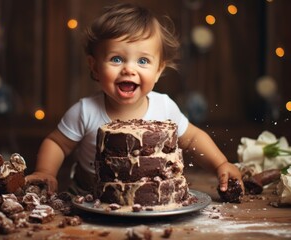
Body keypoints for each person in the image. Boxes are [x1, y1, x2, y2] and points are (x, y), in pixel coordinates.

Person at [26, 3, 243, 195]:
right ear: (95, 66)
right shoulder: (86, 110)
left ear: (158, 70)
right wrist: (46, 171)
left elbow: (193, 139)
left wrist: (220, 164)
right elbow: (57, 143)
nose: (129, 69)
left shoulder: (164, 107)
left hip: (151, 194)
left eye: (143, 61)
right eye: (116, 59)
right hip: (90, 195)